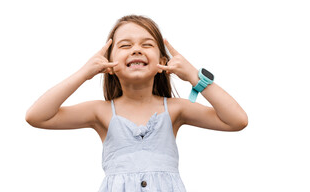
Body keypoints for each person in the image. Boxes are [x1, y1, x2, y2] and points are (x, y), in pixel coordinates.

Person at [25, 15, 248, 191]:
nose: (136, 49)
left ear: (163, 61)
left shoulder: (176, 109)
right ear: (109, 65)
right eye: (125, 45)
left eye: (147, 44)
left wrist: (193, 75)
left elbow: (237, 120)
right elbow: (37, 116)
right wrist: (84, 73)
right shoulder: (100, 112)